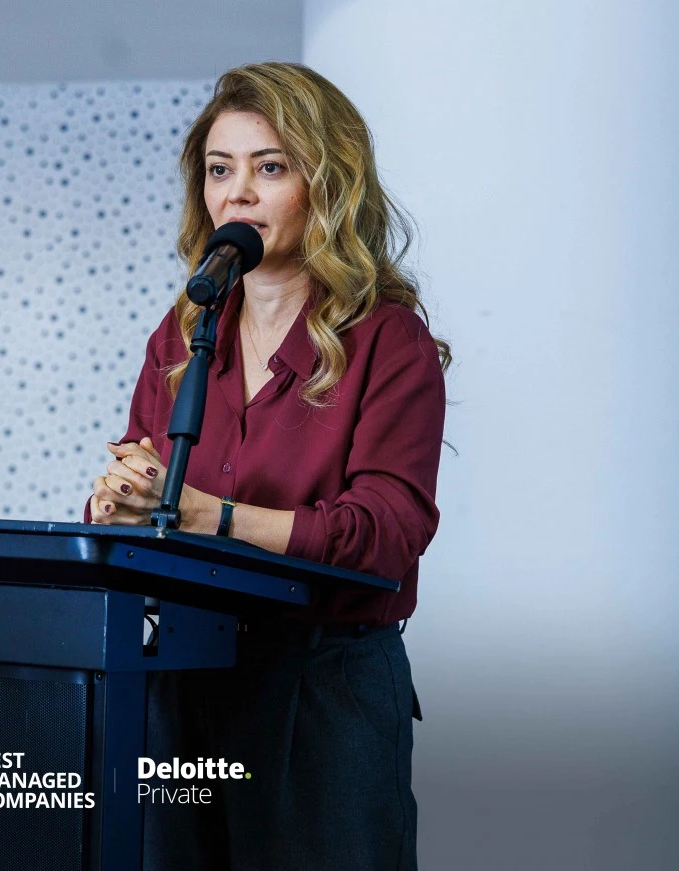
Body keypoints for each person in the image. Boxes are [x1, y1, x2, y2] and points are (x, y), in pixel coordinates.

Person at [87, 63, 450, 871]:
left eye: (270, 167)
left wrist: (206, 515)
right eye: (220, 170)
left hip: (324, 689)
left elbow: (386, 536)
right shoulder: (181, 334)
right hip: (183, 675)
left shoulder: (388, 340)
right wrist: (121, 501)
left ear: (328, 183)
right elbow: (146, 485)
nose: (238, 194)